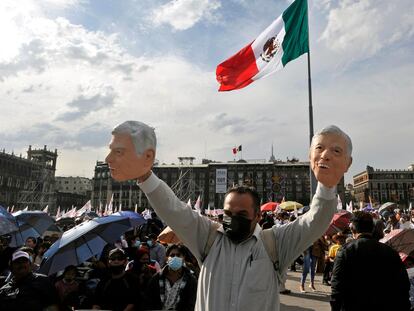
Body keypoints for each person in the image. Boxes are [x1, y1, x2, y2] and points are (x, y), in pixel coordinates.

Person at [105, 121, 353, 311]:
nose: (233, 218)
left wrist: (327, 187)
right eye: (228, 212)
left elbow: (315, 220)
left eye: (242, 213)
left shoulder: (275, 244)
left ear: (257, 216)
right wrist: (145, 176)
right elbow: (174, 209)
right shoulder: (208, 239)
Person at [330, 211, 411, 310]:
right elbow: (402, 284)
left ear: (352, 229)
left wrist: (335, 307)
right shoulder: (389, 251)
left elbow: (337, 285)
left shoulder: (345, 251)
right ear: (372, 229)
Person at [146, 244, 197, 311]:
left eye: (178, 255)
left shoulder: (191, 280)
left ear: (184, 258)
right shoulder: (156, 278)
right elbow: (149, 302)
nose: (175, 257)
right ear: (167, 258)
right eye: (172, 255)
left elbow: (191, 304)